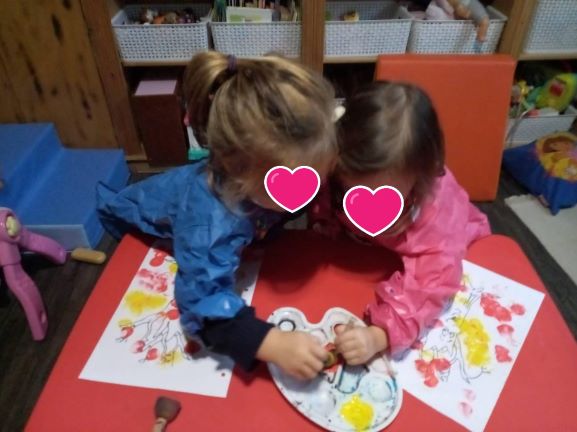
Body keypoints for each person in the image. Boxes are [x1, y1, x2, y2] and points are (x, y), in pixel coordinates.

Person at [97, 52, 337, 379]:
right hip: (140, 233)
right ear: (238, 175)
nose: (310, 190)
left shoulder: (266, 177)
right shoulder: (209, 222)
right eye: (296, 184)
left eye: (315, 177)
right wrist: (269, 342)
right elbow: (201, 304)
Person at [310, 81, 491, 364]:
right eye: (354, 191)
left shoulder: (436, 207)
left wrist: (380, 335)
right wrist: (323, 227)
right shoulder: (330, 168)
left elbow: (433, 282)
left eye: (387, 197)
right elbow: (322, 203)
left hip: (452, 252)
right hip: (362, 253)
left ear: (420, 178)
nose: (367, 207)